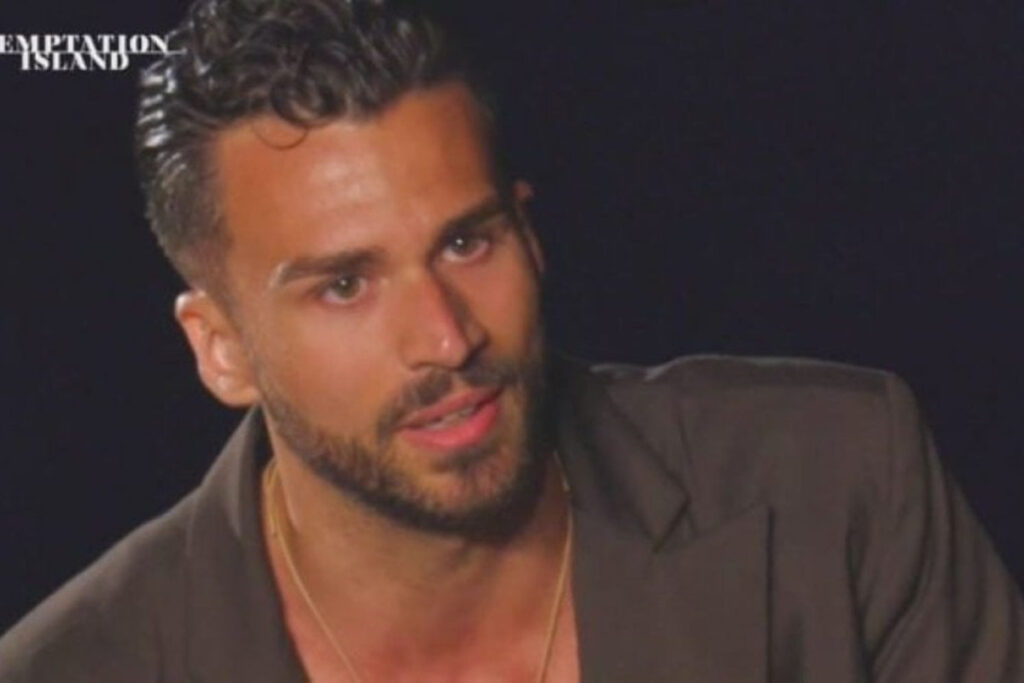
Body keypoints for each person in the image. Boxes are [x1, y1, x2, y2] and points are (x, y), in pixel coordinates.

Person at [1, 0, 1021, 680]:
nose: (447, 338)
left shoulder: (839, 485)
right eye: (345, 285)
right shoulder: (78, 665)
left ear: (529, 233)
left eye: (466, 241)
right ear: (219, 346)